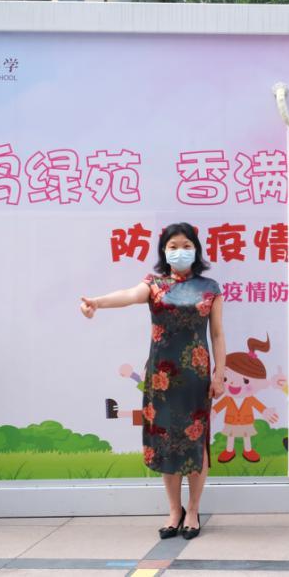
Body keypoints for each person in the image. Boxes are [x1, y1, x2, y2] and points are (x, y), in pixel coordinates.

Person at [80, 222, 225, 540]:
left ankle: (194, 510)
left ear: (196, 249)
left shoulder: (210, 288)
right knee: (165, 442)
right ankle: (174, 511)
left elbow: (217, 334)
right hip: (160, 379)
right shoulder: (154, 284)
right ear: (163, 251)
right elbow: (129, 295)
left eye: (186, 245)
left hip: (196, 378)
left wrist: (219, 375)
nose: (179, 251)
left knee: (195, 443)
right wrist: (98, 302)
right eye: (173, 246)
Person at [213, 336, 279, 463]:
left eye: (246, 381)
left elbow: (258, 406)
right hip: (231, 421)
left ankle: (248, 450)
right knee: (231, 435)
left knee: (246, 435)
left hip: (246, 420)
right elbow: (219, 406)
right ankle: (229, 450)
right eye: (226, 379)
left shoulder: (249, 399)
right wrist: (213, 411)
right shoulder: (227, 399)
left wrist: (266, 411)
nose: (233, 384)